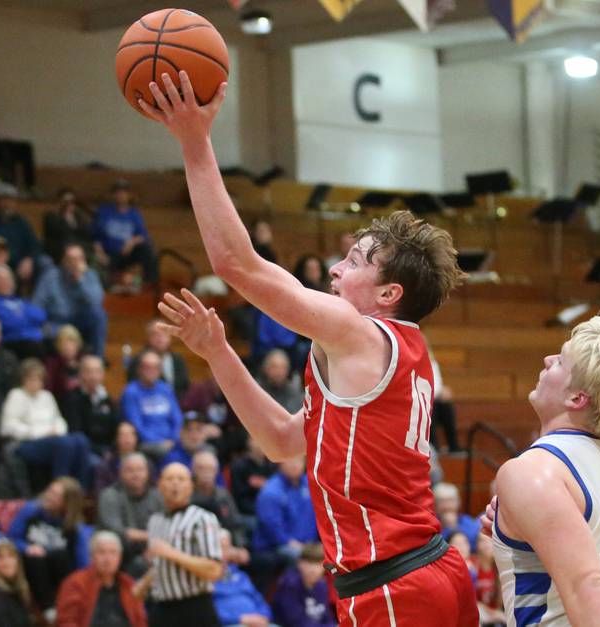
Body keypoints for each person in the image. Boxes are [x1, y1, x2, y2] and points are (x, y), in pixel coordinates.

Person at [146, 69, 475, 626]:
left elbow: (237, 266)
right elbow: (279, 441)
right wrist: (219, 353)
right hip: (409, 576)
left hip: (396, 585)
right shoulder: (391, 356)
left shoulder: (360, 333)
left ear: (388, 294)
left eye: (354, 262)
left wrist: (195, 142)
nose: (334, 269)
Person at [485, 316, 600, 624]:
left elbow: (589, 586)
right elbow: (595, 546)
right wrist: (518, 529)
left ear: (577, 397)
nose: (547, 359)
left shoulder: (532, 472)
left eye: (560, 361)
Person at [141, 462, 223, 627]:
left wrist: (171, 553)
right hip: (161, 609)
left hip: (194, 608)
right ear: (160, 486)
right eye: (170, 478)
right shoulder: (154, 521)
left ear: (191, 486)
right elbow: (161, 564)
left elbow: (214, 570)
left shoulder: (203, 519)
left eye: (181, 479)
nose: (175, 483)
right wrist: (143, 585)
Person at [0, 358, 91, 487]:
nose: (35, 383)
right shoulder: (16, 395)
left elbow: (59, 419)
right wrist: (41, 433)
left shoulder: (47, 396)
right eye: (31, 379)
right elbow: (7, 427)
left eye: (38, 379)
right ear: (23, 379)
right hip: (26, 443)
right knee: (64, 444)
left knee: (81, 440)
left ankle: (81, 489)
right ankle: (59, 488)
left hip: (52, 439)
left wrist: (58, 431)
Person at [7, 477, 88, 617]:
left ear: (67, 503)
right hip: (32, 566)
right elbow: (11, 538)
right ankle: (48, 609)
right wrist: (26, 547)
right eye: (50, 491)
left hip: (60, 569)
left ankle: (70, 605)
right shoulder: (30, 510)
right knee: (36, 557)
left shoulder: (74, 527)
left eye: (56, 495)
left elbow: (81, 560)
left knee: (59, 555)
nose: (49, 496)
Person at [55, 530, 148, 627]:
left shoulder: (127, 584)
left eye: (113, 553)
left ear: (120, 557)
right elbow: (66, 622)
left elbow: (140, 621)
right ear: (91, 556)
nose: (108, 559)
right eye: (102, 552)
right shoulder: (75, 583)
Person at [32, 243, 107, 357]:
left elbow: (96, 302)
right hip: (56, 322)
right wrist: (44, 322)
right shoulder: (50, 276)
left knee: (99, 315)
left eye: (79, 259)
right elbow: (36, 304)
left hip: (80, 321)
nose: (75, 263)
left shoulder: (90, 275)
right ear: (63, 261)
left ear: (84, 261)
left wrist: (80, 280)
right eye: (71, 259)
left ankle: (97, 360)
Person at [97, 452, 164, 577]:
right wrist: (152, 537)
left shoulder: (157, 496)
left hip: (149, 549)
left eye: (140, 469)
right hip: (118, 551)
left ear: (147, 472)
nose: (135, 474)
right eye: (130, 470)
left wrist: (154, 547)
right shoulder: (110, 495)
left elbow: (165, 527)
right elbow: (118, 531)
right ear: (121, 473)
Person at [252, 458, 319, 564]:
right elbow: (272, 528)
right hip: (276, 547)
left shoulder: (310, 484)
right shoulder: (271, 491)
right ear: (281, 463)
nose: (295, 465)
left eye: (298, 460)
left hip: (309, 543)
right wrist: (291, 543)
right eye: (291, 461)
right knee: (304, 557)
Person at [92, 179, 157, 287]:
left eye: (124, 192)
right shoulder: (104, 212)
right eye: (118, 192)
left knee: (146, 248)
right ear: (113, 195)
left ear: (129, 195)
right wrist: (100, 254)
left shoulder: (134, 214)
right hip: (109, 255)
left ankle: (150, 283)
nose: (121, 195)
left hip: (126, 254)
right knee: (99, 264)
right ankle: (107, 288)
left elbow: (143, 236)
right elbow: (95, 236)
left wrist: (131, 242)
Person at [121, 349, 184, 461]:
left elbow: (177, 418)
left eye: (156, 367)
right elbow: (136, 425)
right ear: (139, 370)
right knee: (169, 454)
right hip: (146, 443)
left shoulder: (165, 389)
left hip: (170, 441)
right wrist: (160, 442)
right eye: (147, 367)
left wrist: (174, 439)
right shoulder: (131, 392)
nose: (151, 371)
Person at [0, 264, 46, 360]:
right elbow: (8, 323)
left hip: (31, 340)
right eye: (1, 280)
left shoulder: (18, 300)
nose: (6, 282)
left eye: (8, 279)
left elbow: (41, 315)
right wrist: (26, 318)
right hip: (10, 342)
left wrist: (20, 317)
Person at [61, 354, 120, 457]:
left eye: (97, 371)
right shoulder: (72, 399)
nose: (93, 376)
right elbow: (76, 432)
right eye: (88, 372)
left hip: (108, 449)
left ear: (102, 374)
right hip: (85, 451)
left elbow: (116, 427)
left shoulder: (107, 399)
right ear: (80, 374)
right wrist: (101, 452)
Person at [213, 529, 272, 627]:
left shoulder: (241, 575)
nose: (225, 552)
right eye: (221, 547)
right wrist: (240, 619)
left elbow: (260, 601)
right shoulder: (203, 580)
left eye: (228, 547)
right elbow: (209, 613)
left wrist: (263, 617)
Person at [271, 543, 336, 627]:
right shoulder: (289, 585)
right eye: (309, 563)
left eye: (318, 564)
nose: (313, 569)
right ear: (299, 563)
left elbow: (327, 618)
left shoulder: (322, 586)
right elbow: (297, 622)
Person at [127, 319, 190, 401]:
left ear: (170, 337)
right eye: (155, 334)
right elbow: (133, 386)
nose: (160, 338)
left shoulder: (178, 360)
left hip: (178, 404)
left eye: (164, 333)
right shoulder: (138, 361)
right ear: (148, 338)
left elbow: (185, 385)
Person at [191, 449, 245, 545]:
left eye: (210, 469)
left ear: (216, 471)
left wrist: (240, 546)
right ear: (194, 470)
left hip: (225, 545)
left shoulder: (223, 495)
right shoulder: (187, 495)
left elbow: (235, 523)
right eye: (201, 468)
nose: (206, 473)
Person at [94, 421, 153, 494]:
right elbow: (101, 493)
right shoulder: (106, 465)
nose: (127, 439)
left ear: (136, 438)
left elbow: (153, 489)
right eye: (123, 435)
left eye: (130, 434)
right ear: (116, 438)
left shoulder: (147, 463)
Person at [43, 188, 93, 264]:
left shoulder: (80, 218)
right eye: (65, 202)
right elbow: (61, 237)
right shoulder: (52, 217)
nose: (69, 204)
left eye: (72, 201)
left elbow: (87, 236)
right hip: (61, 254)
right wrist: (65, 217)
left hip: (81, 252)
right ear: (59, 202)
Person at [230, 436, 276, 519]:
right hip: (248, 512)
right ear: (249, 443)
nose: (261, 444)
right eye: (256, 440)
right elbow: (239, 497)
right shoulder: (239, 466)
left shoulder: (272, 465)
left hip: (270, 508)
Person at [434, 483, 480, 551]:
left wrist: (454, 526)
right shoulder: (432, 523)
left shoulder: (467, 522)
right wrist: (446, 528)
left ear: (458, 502)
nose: (447, 505)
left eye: (451, 500)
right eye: (442, 501)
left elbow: (475, 544)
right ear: (435, 505)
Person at [45, 324, 84, 405]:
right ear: (58, 346)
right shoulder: (53, 363)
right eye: (64, 344)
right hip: (61, 403)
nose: (67, 347)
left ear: (78, 344)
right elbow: (49, 389)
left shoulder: (84, 361)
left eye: (71, 343)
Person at [256, 349, 303, 414]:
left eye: (283, 367)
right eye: (274, 367)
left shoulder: (295, 394)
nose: (278, 372)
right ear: (266, 368)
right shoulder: (257, 391)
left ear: (288, 370)